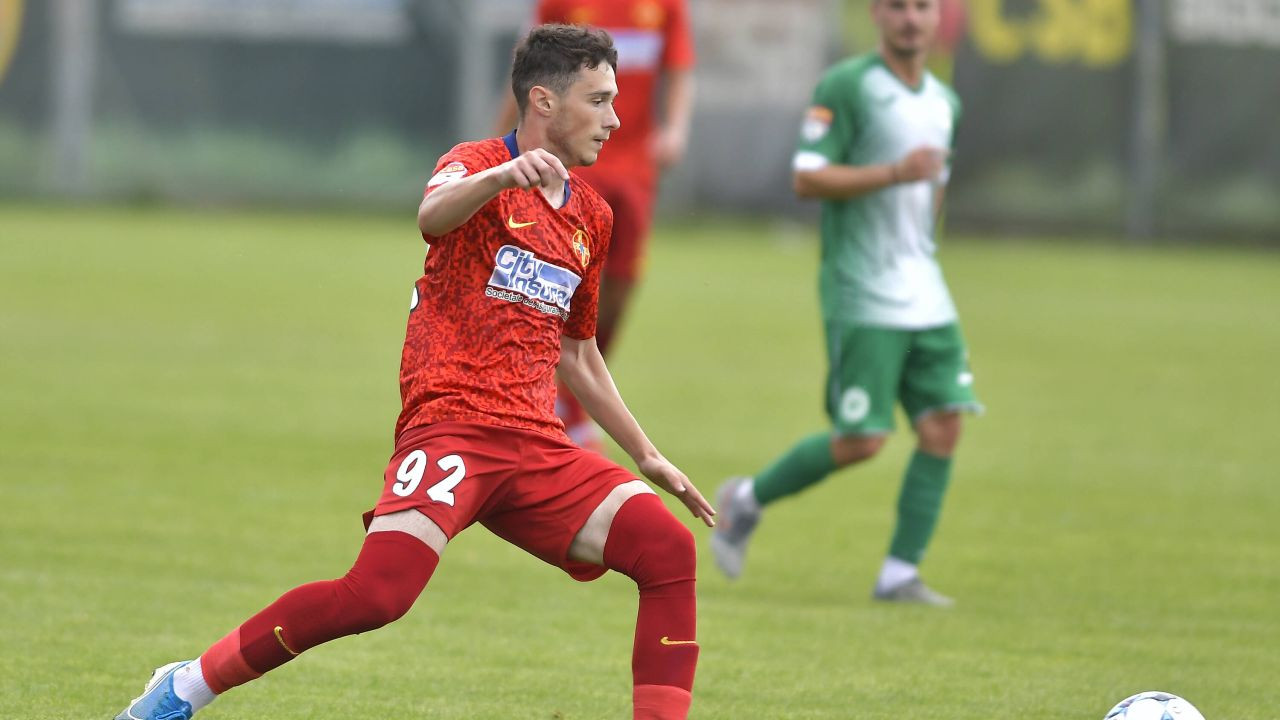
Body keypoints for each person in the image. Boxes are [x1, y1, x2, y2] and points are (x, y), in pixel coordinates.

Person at [114, 25, 714, 720]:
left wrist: (647, 454)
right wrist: (500, 177)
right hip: (453, 428)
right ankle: (186, 686)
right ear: (544, 102)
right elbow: (432, 216)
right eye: (599, 100)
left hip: (538, 445)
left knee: (667, 549)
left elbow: (578, 354)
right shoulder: (475, 163)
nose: (616, 119)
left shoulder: (591, 215)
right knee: (376, 596)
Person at [709, 0, 981, 607]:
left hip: (925, 288)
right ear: (878, 14)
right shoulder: (848, 85)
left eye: (922, 7)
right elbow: (807, 176)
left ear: (937, 16)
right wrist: (894, 172)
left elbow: (932, 193)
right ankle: (745, 500)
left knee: (944, 425)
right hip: (863, 289)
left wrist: (920, 237)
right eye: (897, 6)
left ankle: (899, 576)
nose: (911, 19)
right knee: (863, 439)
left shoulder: (945, 102)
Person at [497, 0, 696, 453]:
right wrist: (496, 145)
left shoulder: (666, 6)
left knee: (621, 284)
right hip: (576, 162)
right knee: (564, 282)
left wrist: (676, 129)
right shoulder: (559, 5)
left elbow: (680, 69)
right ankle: (555, 404)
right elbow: (527, 75)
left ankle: (573, 396)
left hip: (635, 168)